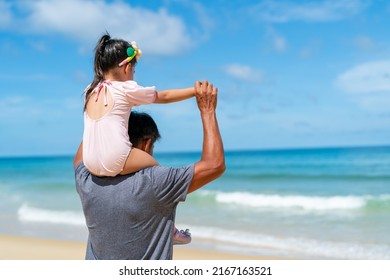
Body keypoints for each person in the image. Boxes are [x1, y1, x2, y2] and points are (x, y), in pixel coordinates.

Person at [74, 80, 225, 260]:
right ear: (146, 143)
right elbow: (215, 164)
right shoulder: (154, 182)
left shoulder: (87, 180)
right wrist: (207, 111)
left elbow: (83, 152)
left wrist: (102, 115)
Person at [82, 33, 196, 178]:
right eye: (133, 71)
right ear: (127, 68)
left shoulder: (90, 91)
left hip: (90, 162)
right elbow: (165, 97)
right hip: (115, 159)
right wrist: (194, 91)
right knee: (157, 169)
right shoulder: (124, 89)